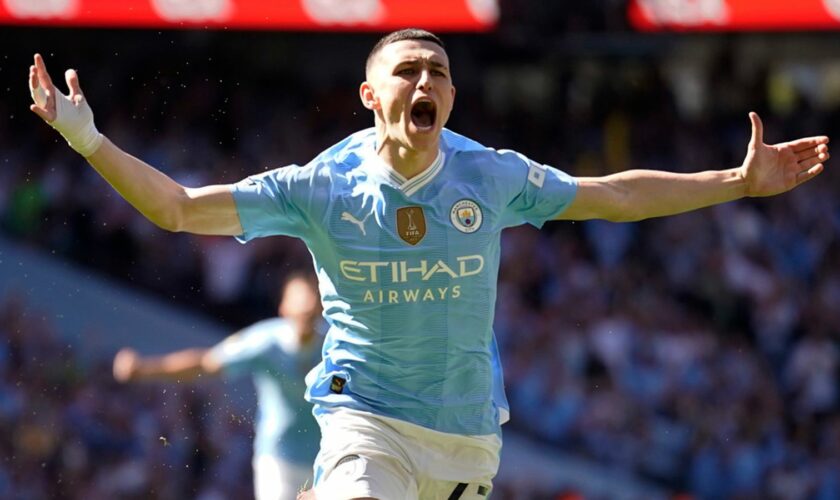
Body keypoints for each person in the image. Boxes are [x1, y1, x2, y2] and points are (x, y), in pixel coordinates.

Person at [28, 28, 830, 500]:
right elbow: (175, 208)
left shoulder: (491, 174)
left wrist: (738, 181)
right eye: (406, 71)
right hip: (362, 418)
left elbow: (614, 196)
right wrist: (88, 141)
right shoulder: (318, 188)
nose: (425, 80)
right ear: (370, 96)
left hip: (467, 436)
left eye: (438, 72)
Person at [111, 273, 324, 500]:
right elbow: (205, 363)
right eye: (300, 297)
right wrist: (145, 369)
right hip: (279, 460)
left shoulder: (334, 344)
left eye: (312, 298)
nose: (307, 304)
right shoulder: (265, 341)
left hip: (328, 458)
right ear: (283, 306)